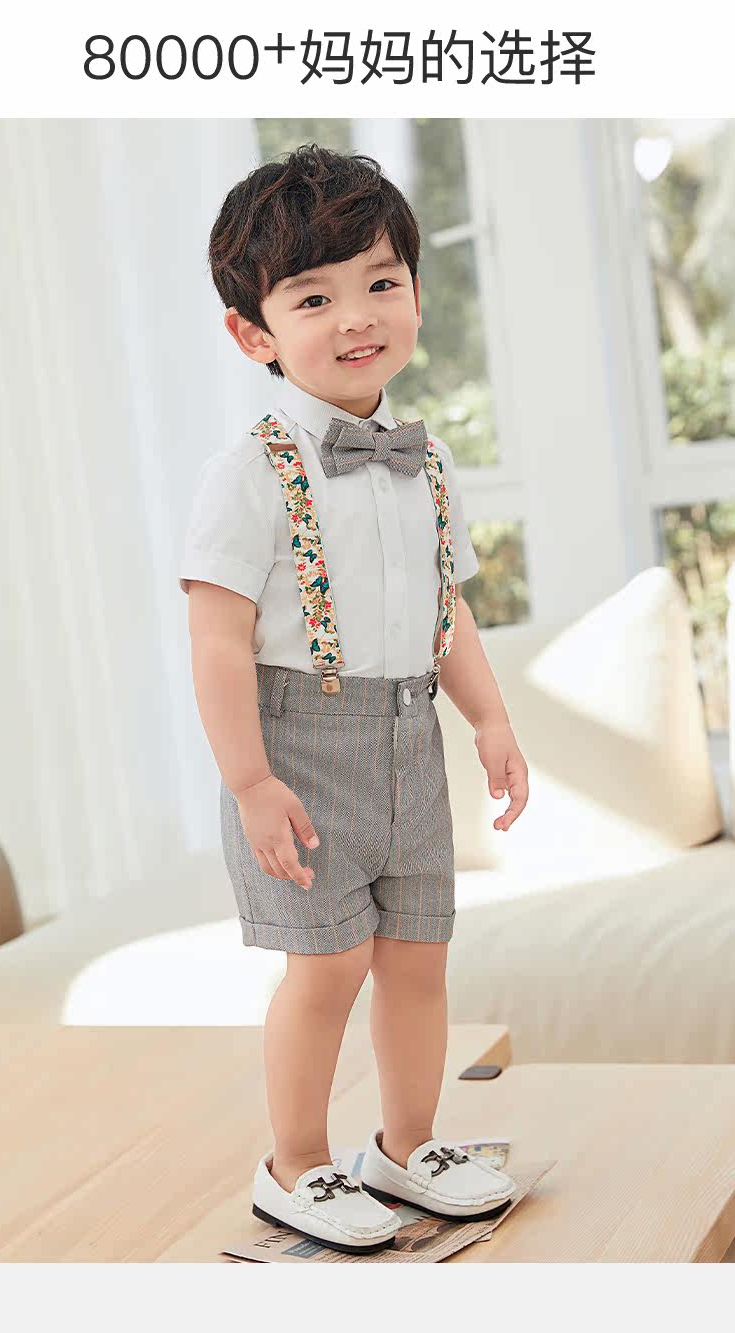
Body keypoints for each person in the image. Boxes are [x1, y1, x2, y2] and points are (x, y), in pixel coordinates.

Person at [180, 144, 529, 1254]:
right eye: (313, 297)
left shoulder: (430, 465)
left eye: (381, 282)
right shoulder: (249, 470)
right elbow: (217, 638)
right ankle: (295, 1162)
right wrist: (249, 780)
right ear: (255, 333)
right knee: (327, 963)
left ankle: (407, 1142)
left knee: (418, 955)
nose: (357, 317)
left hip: (408, 734)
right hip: (300, 746)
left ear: (417, 292)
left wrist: (488, 717)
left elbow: (446, 606)